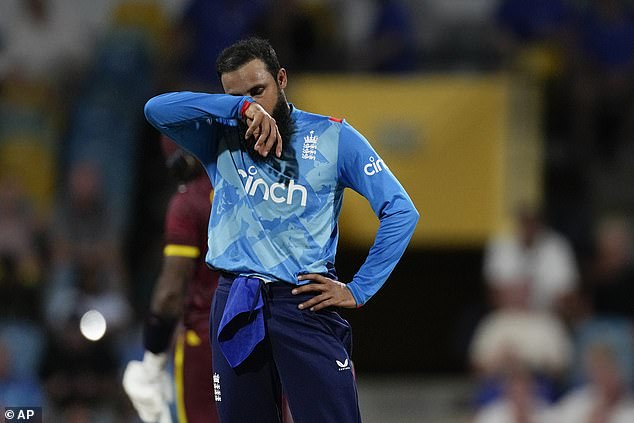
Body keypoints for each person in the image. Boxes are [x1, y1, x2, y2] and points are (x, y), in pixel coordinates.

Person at [143, 37, 419, 423]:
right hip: (235, 299)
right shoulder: (217, 137)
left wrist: (359, 289)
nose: (254, 105)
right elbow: (156, 109)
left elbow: (401, 211)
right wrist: (238, 108)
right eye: (240, 97)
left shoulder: (333, 137)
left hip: (305, 300)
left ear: (282, 79)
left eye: (259, 91)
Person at [123, 137, 219, 423]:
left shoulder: (188, 202)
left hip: (206, 339)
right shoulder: (253, 189)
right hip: (262, 334)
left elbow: (169, 294)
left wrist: (153, 357)